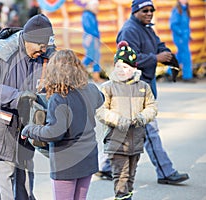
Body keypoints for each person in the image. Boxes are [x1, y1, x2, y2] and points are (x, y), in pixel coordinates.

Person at [97, 0, 190, 185]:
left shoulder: (146, 28)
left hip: (144, 87)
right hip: (132, 89)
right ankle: (165, 171)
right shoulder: (129, 30)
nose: (149, 13)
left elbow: (159, 46)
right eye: (145, 10)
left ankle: (107, 167)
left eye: (151, 10)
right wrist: (156, 58)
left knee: (126, 130)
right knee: (150, 130)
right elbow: (128, 61)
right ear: (135, 11)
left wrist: (170, 57)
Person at [0, 14, 55, 200]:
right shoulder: (1, 55)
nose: (43, 50)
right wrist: (18, 98)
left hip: (27, 129)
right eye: (40, 46)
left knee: (25, 178)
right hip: (1, 129)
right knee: (7, 178)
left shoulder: (46, 56)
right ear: (28, 40)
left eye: (46, 46)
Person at [21, 49, 105, 200]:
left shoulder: (58, 98)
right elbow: (101, 98)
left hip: (67, 161)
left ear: (54, 72)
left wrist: (30, 129)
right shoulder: (91, 90)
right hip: (89, 157)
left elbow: (55, 132)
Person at [96, 40, 157, 200]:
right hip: (116, 141)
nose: (122, 70)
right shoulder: (108, 87)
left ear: (134, 68)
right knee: (121, 178)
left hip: (136, 140)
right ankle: (122, 197)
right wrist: (118, 120)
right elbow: (101, 110)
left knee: (130, 177)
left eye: (126, 67)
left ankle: (126, 196)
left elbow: (152, 107)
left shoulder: (143, 87)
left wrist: (142, 117)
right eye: (119, 66)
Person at [170, 0, 194, 82]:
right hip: (179, 38)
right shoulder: (177, 10)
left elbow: (185, 25)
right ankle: (187, 76)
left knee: (180, 56)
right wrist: (182, 33)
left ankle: (169, 72)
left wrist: (188, 35)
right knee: (186, 56)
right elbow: (173, 25)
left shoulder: (185, 10)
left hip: (184, 37)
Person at [81, 0, 103, 83]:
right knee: (90, 56)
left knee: (96, 56)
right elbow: (88, 27)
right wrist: (92, 37)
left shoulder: (92, 15)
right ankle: (76, 71)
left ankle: (96, 76)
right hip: (90, 37)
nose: (96, 8)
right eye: (95, 6)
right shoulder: (87, 14)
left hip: (94, 37)